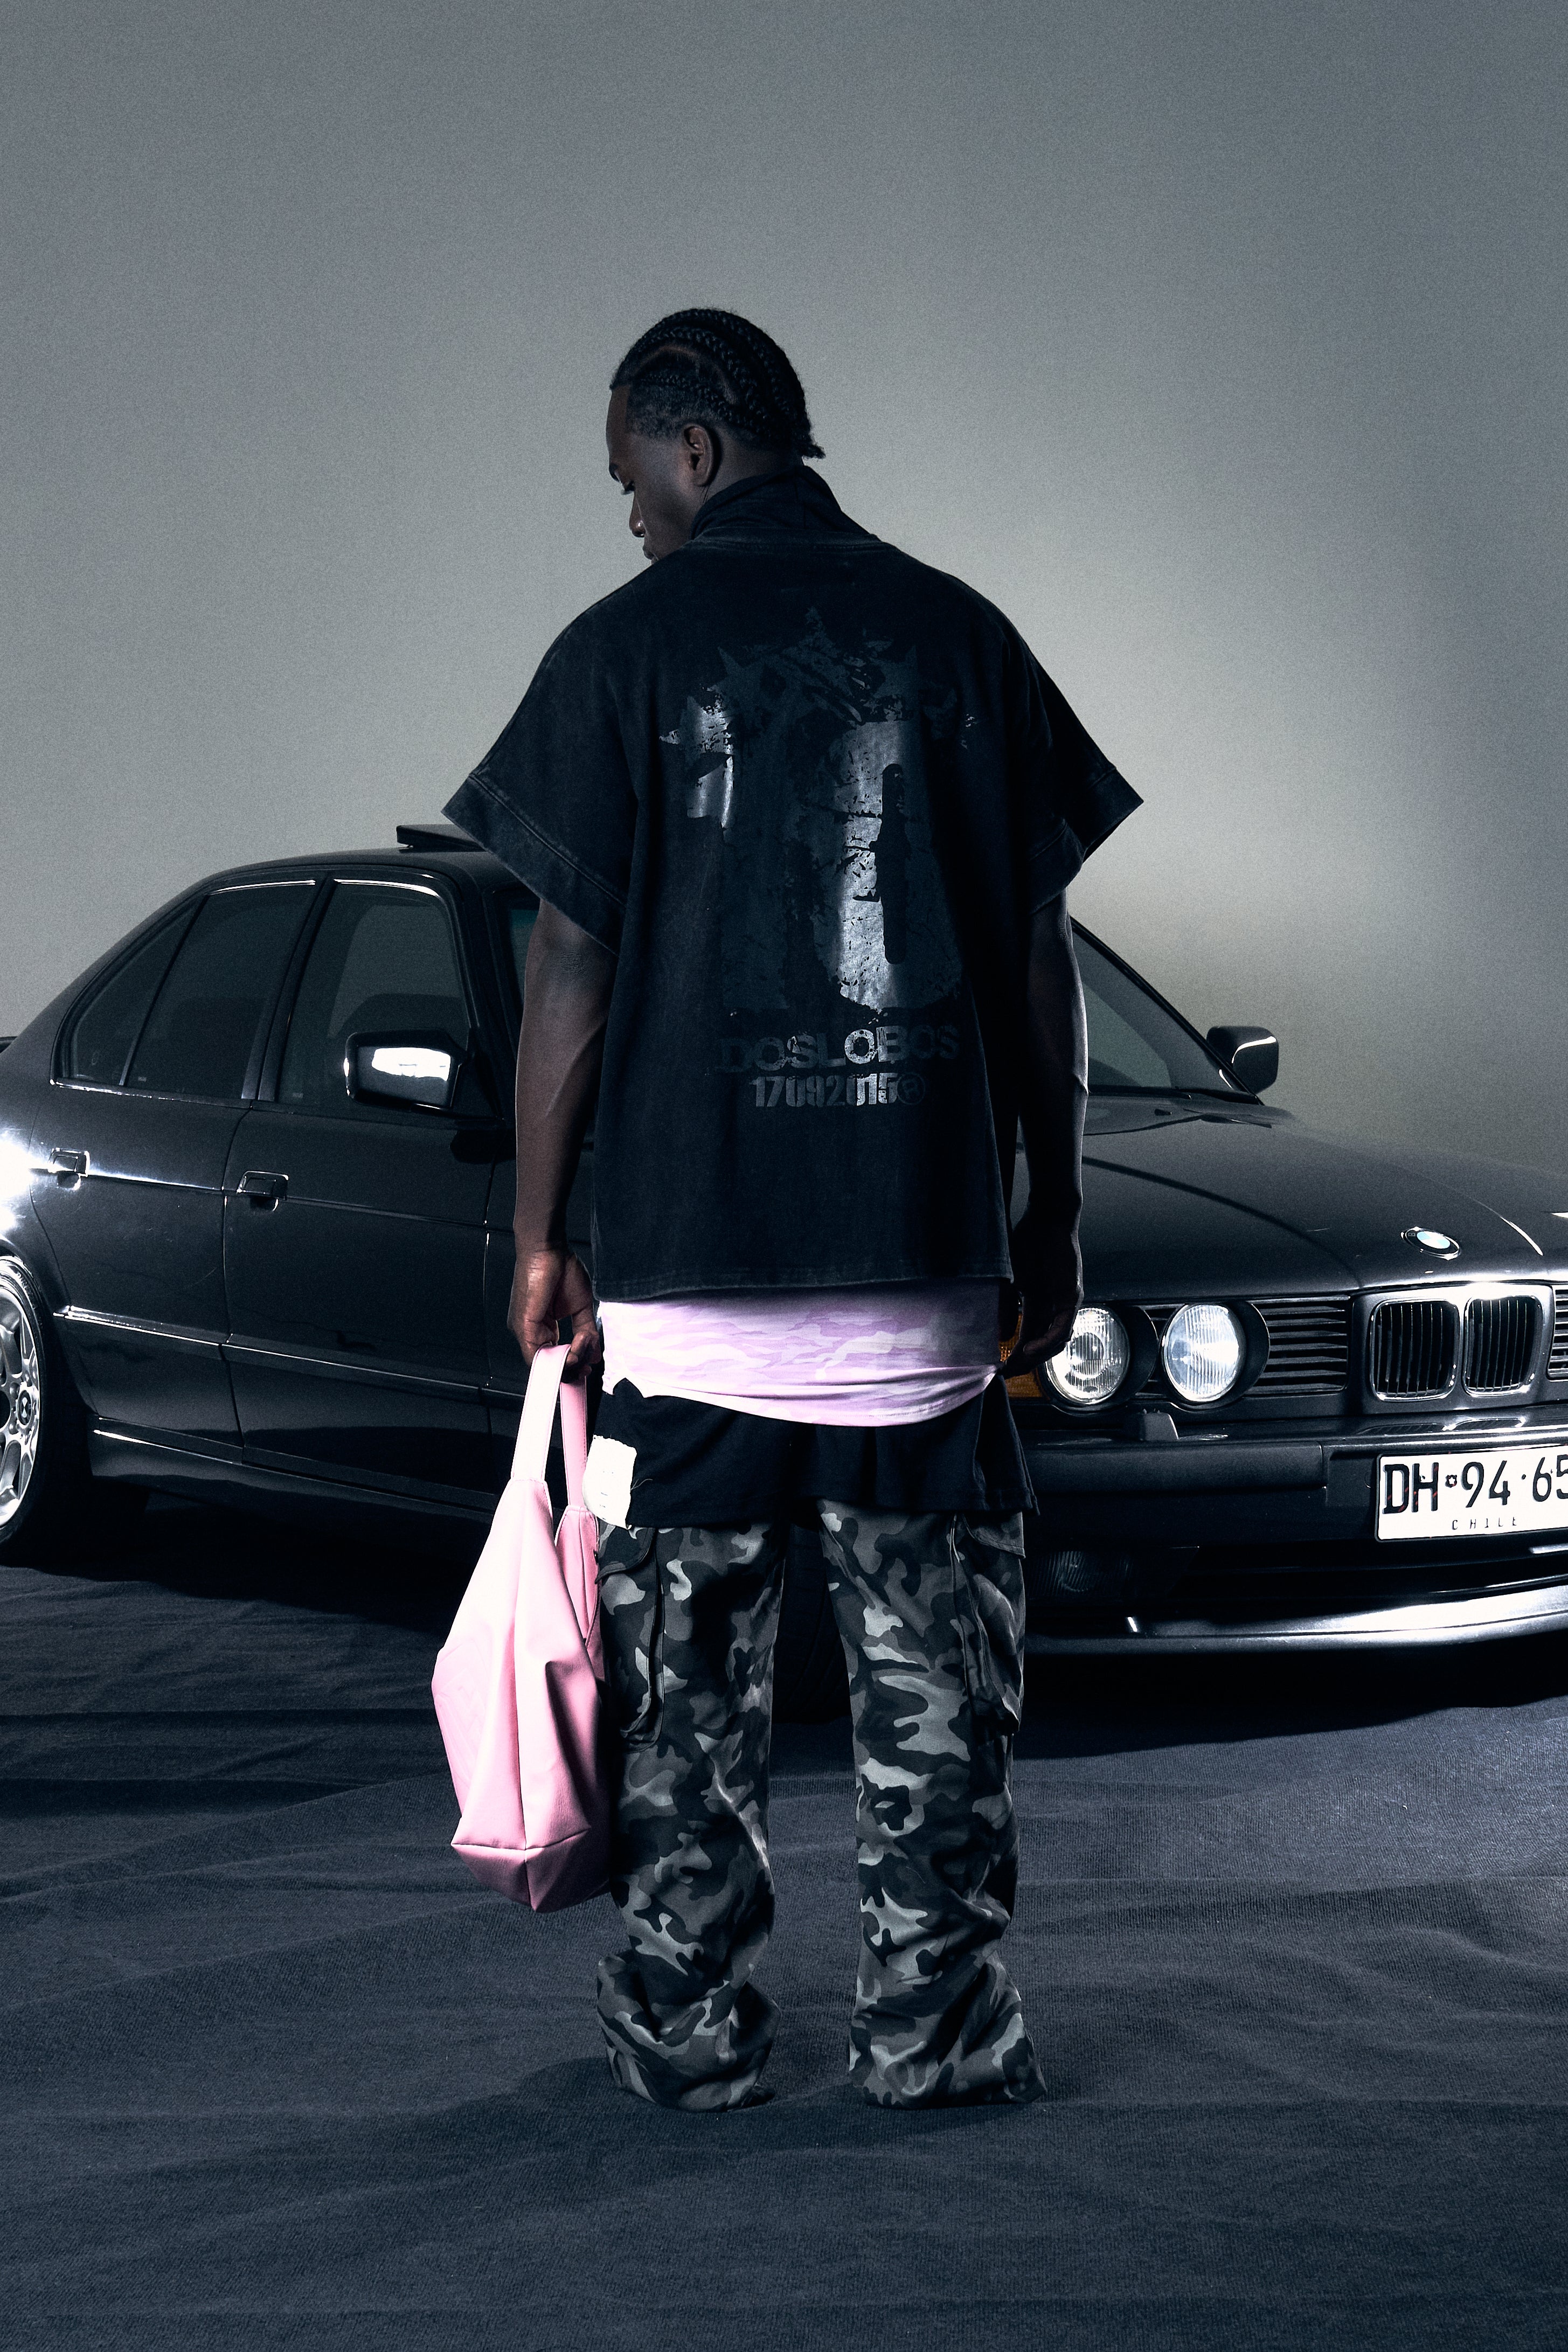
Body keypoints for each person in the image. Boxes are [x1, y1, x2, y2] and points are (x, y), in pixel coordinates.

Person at [445, 308, 1139, 2112]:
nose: (631, 516)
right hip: (918, 1279)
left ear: (694, 447)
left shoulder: (619, 653)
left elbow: (569, 968)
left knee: (683, 1712)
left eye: (630, 477)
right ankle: (935, 2035)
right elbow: (1036, 963)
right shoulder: (959, 635)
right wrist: (1051, 1212)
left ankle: (687, 2036)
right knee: (940, 1707)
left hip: (691, 1288)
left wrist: (541, 1233)